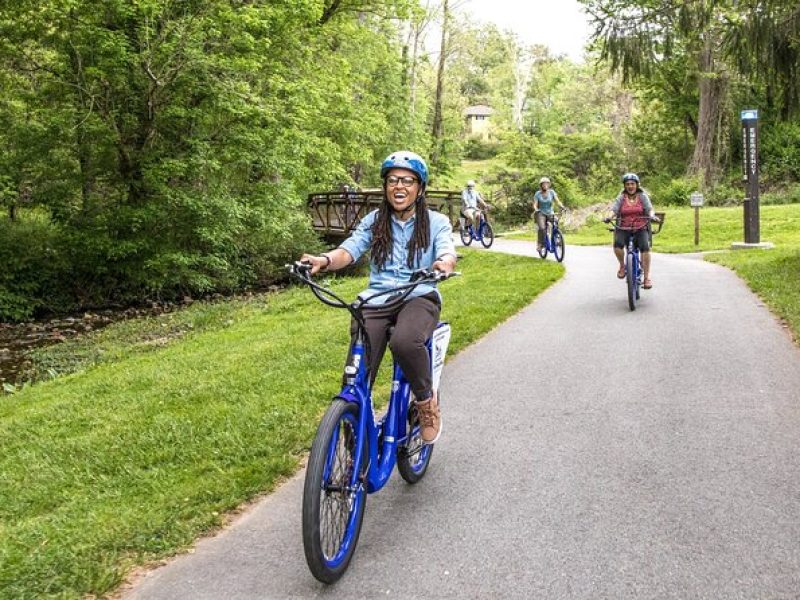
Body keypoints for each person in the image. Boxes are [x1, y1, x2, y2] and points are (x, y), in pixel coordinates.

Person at [300, 151, 457, 444]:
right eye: (393, 180)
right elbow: (348, 250)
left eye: (408, 181)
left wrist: (443, 264)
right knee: (358, 370)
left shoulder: (435, 221)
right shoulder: (375, 221)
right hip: (377, 298)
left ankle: (426, 404)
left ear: (419, 188)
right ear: (385, 186)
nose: (400, 187)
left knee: (405, 342)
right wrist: (323, 259)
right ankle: (352, 425)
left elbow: (447, 250)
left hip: (419, 294)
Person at [608, 172, 659, 289]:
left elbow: (650, 209)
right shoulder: (621, 197)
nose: (630, 186)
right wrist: (609, 216)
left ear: (637, 185)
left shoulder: (642, 196)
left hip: (640, 227)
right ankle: (622, 266)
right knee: (617, 245)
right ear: (624, 186)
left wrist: (652, 215)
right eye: (627, 184)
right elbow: (614, 210)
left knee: (645, 248)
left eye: (632, 184)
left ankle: (646, 278)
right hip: (624, 227)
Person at [532, 177, 565, 252]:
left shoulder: (552, 192)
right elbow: (535, 204)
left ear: (549, 184)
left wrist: (562, 206)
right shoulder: (537, 194)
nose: (545, 185)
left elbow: (557, 201)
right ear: (541, 185)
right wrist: (536, 209)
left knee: (556, 223)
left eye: (547, 183)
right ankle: (540, 244)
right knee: (542, 228)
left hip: (550, 212)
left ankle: (557, 239)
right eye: (543, 184)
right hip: (540, 213)